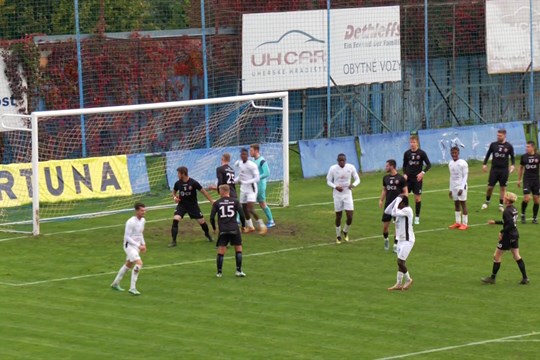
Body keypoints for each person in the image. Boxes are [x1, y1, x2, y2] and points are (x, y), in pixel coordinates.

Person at [481, 192, 529, 285]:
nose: (503, 198)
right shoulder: (514, 209)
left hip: (508, 236)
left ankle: (492, 278)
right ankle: (525, 278)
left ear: (507, 200)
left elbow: (510, 224)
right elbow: (507, 221)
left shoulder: (506, 211)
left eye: (505, 197)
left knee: (497, 256)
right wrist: (495, 222)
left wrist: (502, 232)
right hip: (515, 235)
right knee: (516, 256)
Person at [169, 166, 214, 247]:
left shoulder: (193, 183)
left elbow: (203, 192)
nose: (177, 175)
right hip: (182, 205)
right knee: (175, 220)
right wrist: (175, 197)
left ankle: (207, 235)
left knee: (202, 222)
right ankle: (173, 241)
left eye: (178, 173)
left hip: (193, 206)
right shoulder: (178, 183)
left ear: (183, 174)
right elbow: (174, 192)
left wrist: (211, 201)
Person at [111, 202, 147, 295]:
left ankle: (115, 284)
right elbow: (127, 237)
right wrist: (138, 245)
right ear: (137, 211)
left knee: (128, 264)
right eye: (142, 210)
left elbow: (140, 233)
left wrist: (144, 244)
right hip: (129, 246)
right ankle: (132, 288)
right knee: (139, 263)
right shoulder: (130, 222)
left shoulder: (143, 220)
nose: (144, 212)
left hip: (137, 246)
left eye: (144, 210)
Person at [210, 185, 246, 277]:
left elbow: (211, 217)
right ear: (228, 191)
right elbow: (242, 215)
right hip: (234, 228)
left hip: (223, 230)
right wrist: (243, 226)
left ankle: (219, 272)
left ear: (221, 192)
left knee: (221, 250)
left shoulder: (217, 203)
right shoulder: (235, 202)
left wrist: (214, 227)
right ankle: (238, 271)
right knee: (238, 249)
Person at [326, 153, 361, 244]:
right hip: (337, 195)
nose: (342, 162)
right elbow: (328, 181)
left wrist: (353, 185)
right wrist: (335, 186)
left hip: (347, 194)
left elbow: (357, 179)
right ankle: (338, 235)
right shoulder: (333, 168)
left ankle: (345, 231)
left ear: (345, 160)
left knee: (350, 216)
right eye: (340, 160)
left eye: (343, 160)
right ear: (337, 161)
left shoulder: (351, 167)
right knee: (338, 216)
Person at [385, 195, 415, 291]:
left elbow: (393, 212)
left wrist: (398, 200)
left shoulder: (407, 210)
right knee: (400, 262)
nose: (397, 205)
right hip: (400, 240)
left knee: (400, 262)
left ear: (403, 203)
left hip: (408, 240)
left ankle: (408, 279)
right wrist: (395, 200)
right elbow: (387, 211)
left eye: (399, 203)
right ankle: (398, 284)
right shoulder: (399, 211)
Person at [481, 129, 515, 212]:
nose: (498, 137)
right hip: (494, 169)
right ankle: (487, 202)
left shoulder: (509, 146)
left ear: (504, 135)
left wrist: (513, 165)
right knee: (490, 187)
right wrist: (484, 164)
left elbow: (512, 156)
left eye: (500, 136)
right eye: (497, 135)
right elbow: (488, 154)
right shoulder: (493, 145)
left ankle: (500, 205)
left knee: (503, 187)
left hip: (504, 170)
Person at [379, 159, 408, 252]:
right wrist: (381, 200)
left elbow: (405, 191)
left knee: (397, 226)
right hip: (388, 205)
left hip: (398, 206)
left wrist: (404, 202)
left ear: (392, 166)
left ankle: (395, 245)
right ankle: (386, 239)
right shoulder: (385, 178)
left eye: (387, 166)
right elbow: (384, 190)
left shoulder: (400, 178)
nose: (386, 167)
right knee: (385, 227)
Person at [236, 148, 267, 234]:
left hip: (252, 189)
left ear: (248, 155)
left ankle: (262, 226)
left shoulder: (252, 165)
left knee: (250, 209)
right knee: (244, 209)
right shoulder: (240, 164)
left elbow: (257, 178)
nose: (243, 156)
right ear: (240, 155)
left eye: (245, 154)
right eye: (242, 154)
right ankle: (250, 227)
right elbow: (240, 176)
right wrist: (232, 181)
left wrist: (246, 182)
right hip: (243, 189)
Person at [402, 136, 431, 225]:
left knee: (417, 198)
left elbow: (428, 165)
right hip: (408, 179)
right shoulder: (407, 153)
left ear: (417, 143)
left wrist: (422, 173)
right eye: (411, 142)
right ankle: (404, 215)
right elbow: (404, 165)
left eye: (414, 142)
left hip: (417, 179)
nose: (412, 144)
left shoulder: (422, 153)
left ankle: (417, 217)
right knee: (404, 196)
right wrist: (405, 174)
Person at [250, 144, 275, 228]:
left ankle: (271, 221)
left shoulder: (262, 161)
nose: (250, 152)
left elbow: (267, 173)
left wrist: (257, 178)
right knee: (247, 202)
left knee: (261, 203)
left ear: (256, 151)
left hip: (260, 186)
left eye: (251, 150)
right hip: (254, 185)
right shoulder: (253, 161)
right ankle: (239, 220)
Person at [517, 141, 540, 224]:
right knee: (527, 198)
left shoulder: (538, 156)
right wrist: (519, 179)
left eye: (528, 147)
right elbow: (521, 168)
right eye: (526, 147)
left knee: (537, 200)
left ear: (533, 147)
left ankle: (534, 218)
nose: (527, 148)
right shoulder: (524, 157)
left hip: (536, 180)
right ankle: (523, 214)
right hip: (527, 179)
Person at [448, 146, 469, 230]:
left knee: (463, 204)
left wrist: (462, 188)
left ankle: (465, 223)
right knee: (456, 204)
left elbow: (465, 176)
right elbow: (451, 177)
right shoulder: (450, 163)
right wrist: (450, 189)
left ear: (458, 153)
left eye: (455, 153)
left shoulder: (463, 163)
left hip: (461, 186)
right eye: (452, 153)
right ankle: (457, 222)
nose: (454, 154)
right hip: (454, 186)